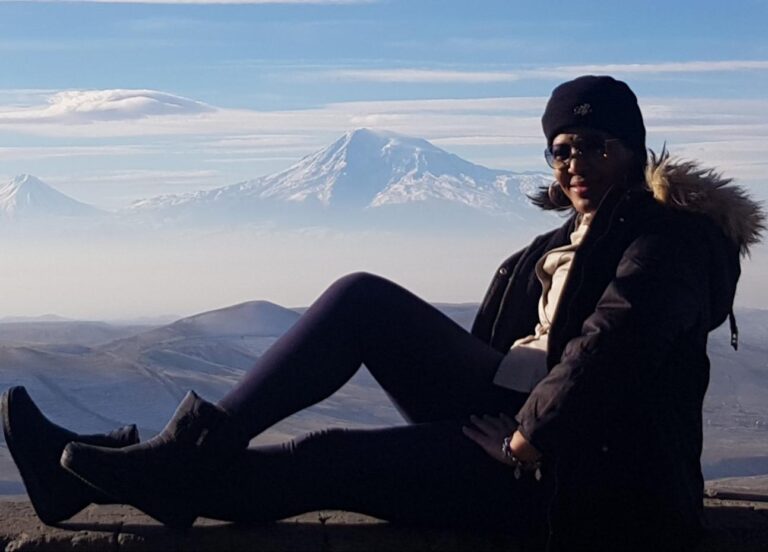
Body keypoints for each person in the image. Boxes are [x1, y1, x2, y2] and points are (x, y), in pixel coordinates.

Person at [2, 76, 764, 551]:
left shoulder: (671, 239)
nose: (574, 164)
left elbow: (616, 339)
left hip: (582, 477)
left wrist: (534, 434)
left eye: (595, 146)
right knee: (360, 298)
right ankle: (170, 460)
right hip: (514, 417)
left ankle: (127, 477)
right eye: (560, 149)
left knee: (331, 456)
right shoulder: (560, 240)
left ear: (633, 153)